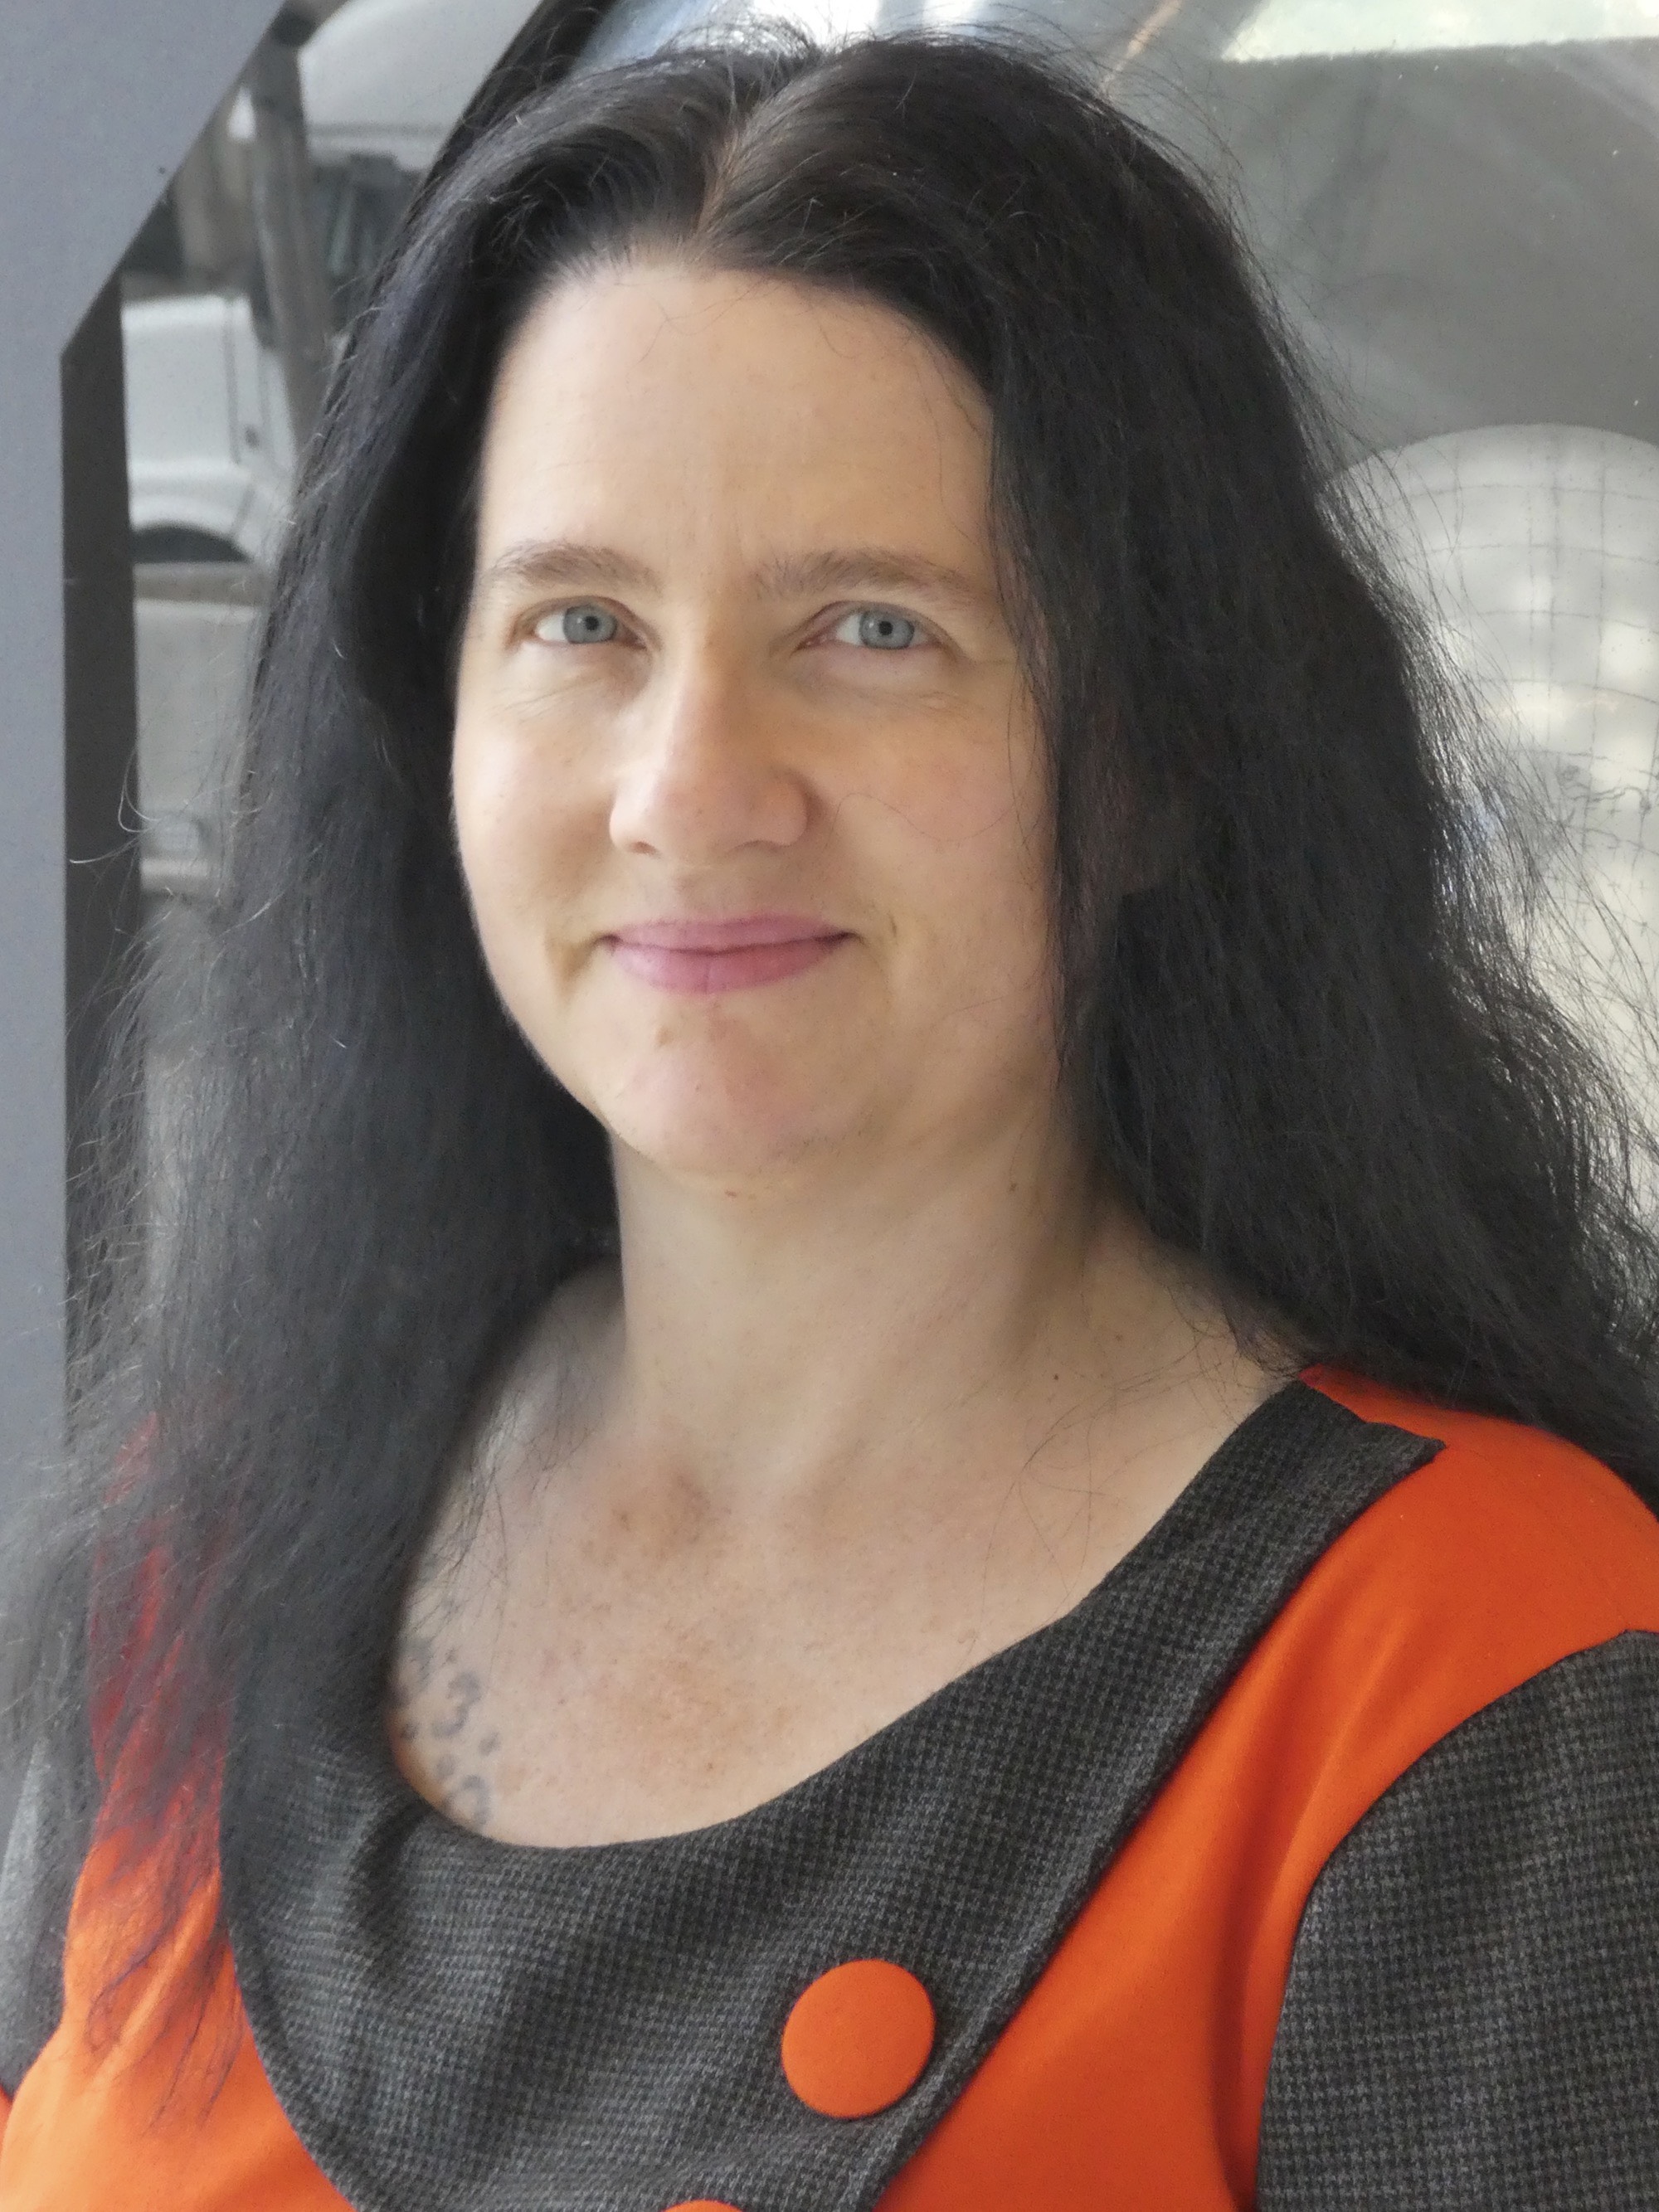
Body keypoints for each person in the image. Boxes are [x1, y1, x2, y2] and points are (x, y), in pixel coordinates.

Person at [2, 22, 1657, 2210]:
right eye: (581, 622)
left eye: (872, 629)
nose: (692, 788)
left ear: (1158, 754)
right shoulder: (207, 1546)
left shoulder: (1487, 1675)